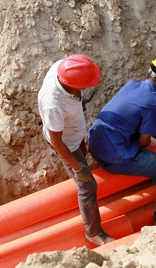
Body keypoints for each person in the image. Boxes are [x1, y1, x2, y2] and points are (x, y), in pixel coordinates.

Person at [88, 55, 156, 225]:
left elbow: (150, 117)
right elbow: (144, 142)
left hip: (95, 144)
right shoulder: (154, 103)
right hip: (115, 157)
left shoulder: (132, 85)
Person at [38, 54, 114, 247]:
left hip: (72, 132)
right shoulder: (53, 105)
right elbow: (57, 142)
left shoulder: (62, 68)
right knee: (88, 185)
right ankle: (93, 232)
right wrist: (77, 167)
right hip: (66, 144)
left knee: (82, 156)